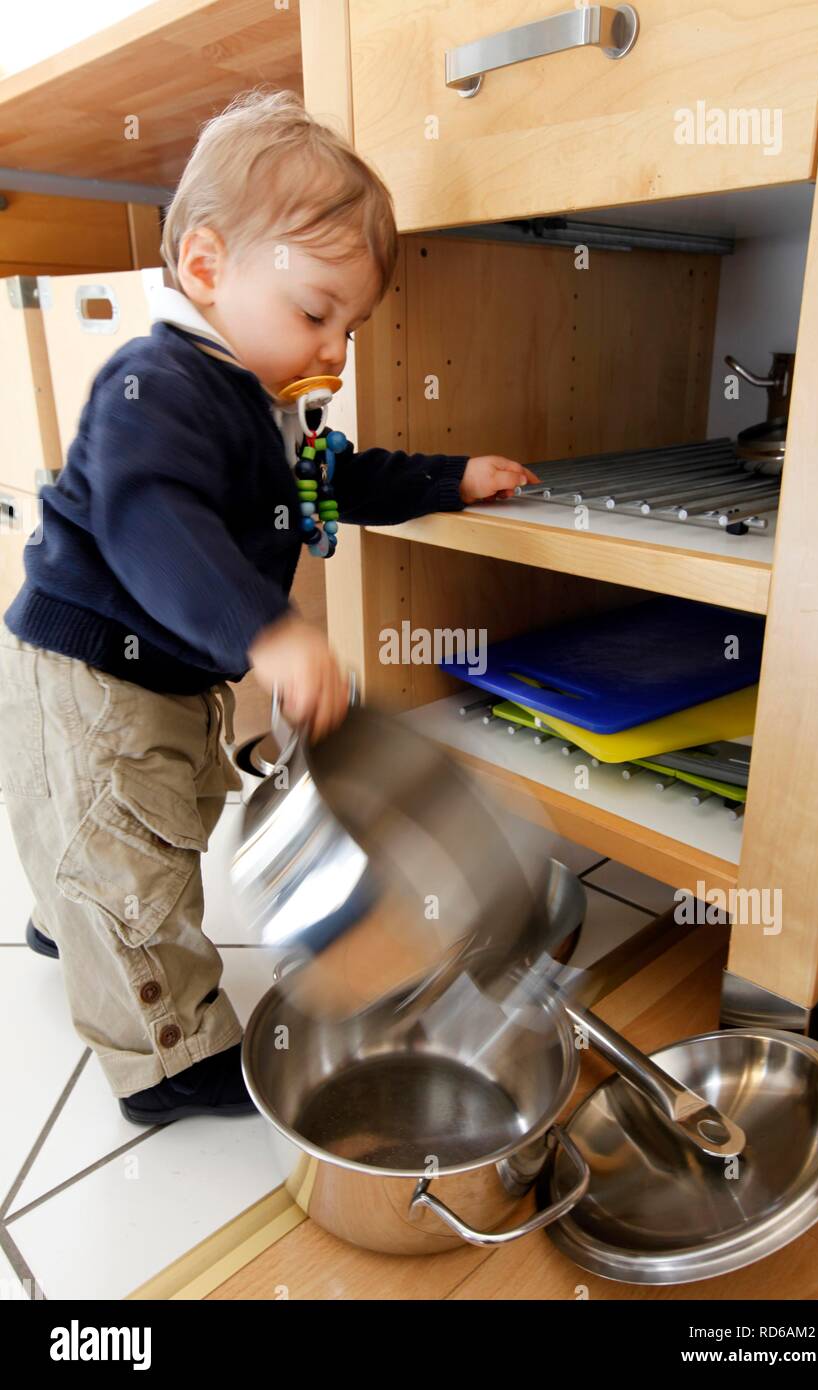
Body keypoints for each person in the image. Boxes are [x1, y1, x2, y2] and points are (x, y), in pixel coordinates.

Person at [0, 88, 539, 1125]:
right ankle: (167, 1058)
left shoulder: (268, 409)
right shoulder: (152, 386)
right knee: (129, 846)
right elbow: (156, 521)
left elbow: (342, 480)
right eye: (313, 313)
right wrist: (270, 632)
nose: (333, 349)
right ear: (205, 268)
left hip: (162, 674)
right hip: (94, 677)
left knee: (148, 821)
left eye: (348, 324)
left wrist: (449, 475)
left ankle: (74, 922)